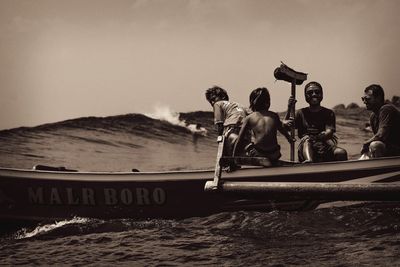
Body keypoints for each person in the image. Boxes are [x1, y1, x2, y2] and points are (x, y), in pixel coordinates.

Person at [287, 81, 348, 163]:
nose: (314, 94)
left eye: (317, 92)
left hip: (324, 146)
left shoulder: (329, 113)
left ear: (322, 94)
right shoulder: (300, 113)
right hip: (306, 147)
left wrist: (318, 137)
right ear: (305, 96)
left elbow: (329, 132)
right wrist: (289, 108)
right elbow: (287, 127)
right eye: (310, 92)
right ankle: (309, 161)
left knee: (341, 152)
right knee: (307, 140)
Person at [233, 87, 294, 164]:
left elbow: (239, 140)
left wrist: (233, 157)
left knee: (247, 147)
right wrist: (289, 138)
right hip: (274, 153)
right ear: (268, 102)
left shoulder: (249, 117)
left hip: (259, 154)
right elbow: (282, 129)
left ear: (252, 103)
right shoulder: (274, 115)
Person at [205, 86, 248, 156]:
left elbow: (220, 124)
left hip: (231, 126)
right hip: (245, 128)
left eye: (213, 99)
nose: (212, 102)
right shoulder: (240, 105)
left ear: (223, 97)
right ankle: (246, 145)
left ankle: (239, 143)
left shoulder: (217, 104)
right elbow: (252, 115)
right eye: (210, 101)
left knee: (226, 139)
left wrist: (220, 136)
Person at [360, 84, 400, 158]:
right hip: (390, 149)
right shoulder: (373, 116)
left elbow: (380, 135)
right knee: (369, 149)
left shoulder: (386, 109)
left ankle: (380, 168)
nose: (364, 102)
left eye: (367, 99)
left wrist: (366, 143)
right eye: (363, 99)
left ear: (378, 98)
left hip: (397, 149)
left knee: (375, 145)